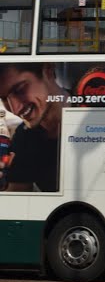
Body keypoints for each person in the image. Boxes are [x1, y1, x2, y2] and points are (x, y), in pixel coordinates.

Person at [0, 62, 70, 192]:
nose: (15, 109)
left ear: (48, 71)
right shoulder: (24, 136)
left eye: (20, 90)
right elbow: (17, 196)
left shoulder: (91, 112)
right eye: (4, 99)